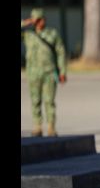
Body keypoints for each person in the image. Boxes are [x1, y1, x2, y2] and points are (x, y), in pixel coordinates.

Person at [21, 8, 67, 137]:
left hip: (49, 73)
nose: (40, 22)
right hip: (33, 73)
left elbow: (61, 52)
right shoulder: (27, 35)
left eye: (41, 19)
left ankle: (51, 127)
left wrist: (62, 71)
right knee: (35, 101)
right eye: (37, 20)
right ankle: (37, 127)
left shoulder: (52, 34)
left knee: (49, 100)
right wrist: (26, 23)